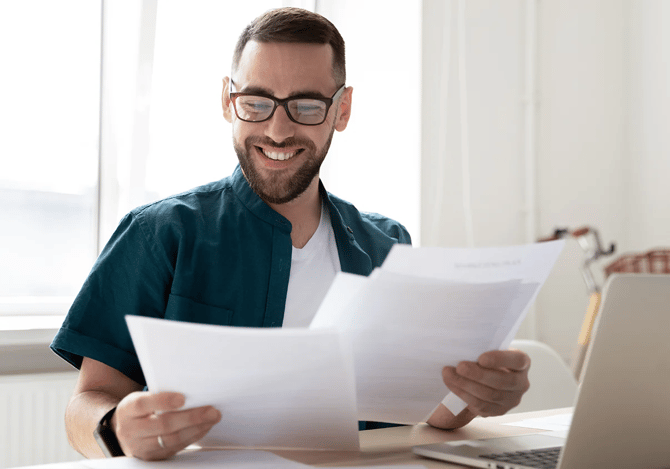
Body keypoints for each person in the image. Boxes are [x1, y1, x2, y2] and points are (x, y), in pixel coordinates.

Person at [51, 7, 531, 462]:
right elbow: (86, 404)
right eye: (256, 103)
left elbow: (428, 411)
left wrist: (476, 395)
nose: (277, 130)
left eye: (305, 105)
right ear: (228, 102)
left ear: (341, 111)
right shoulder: (161, 233)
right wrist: (116, 429)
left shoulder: (387, 246)